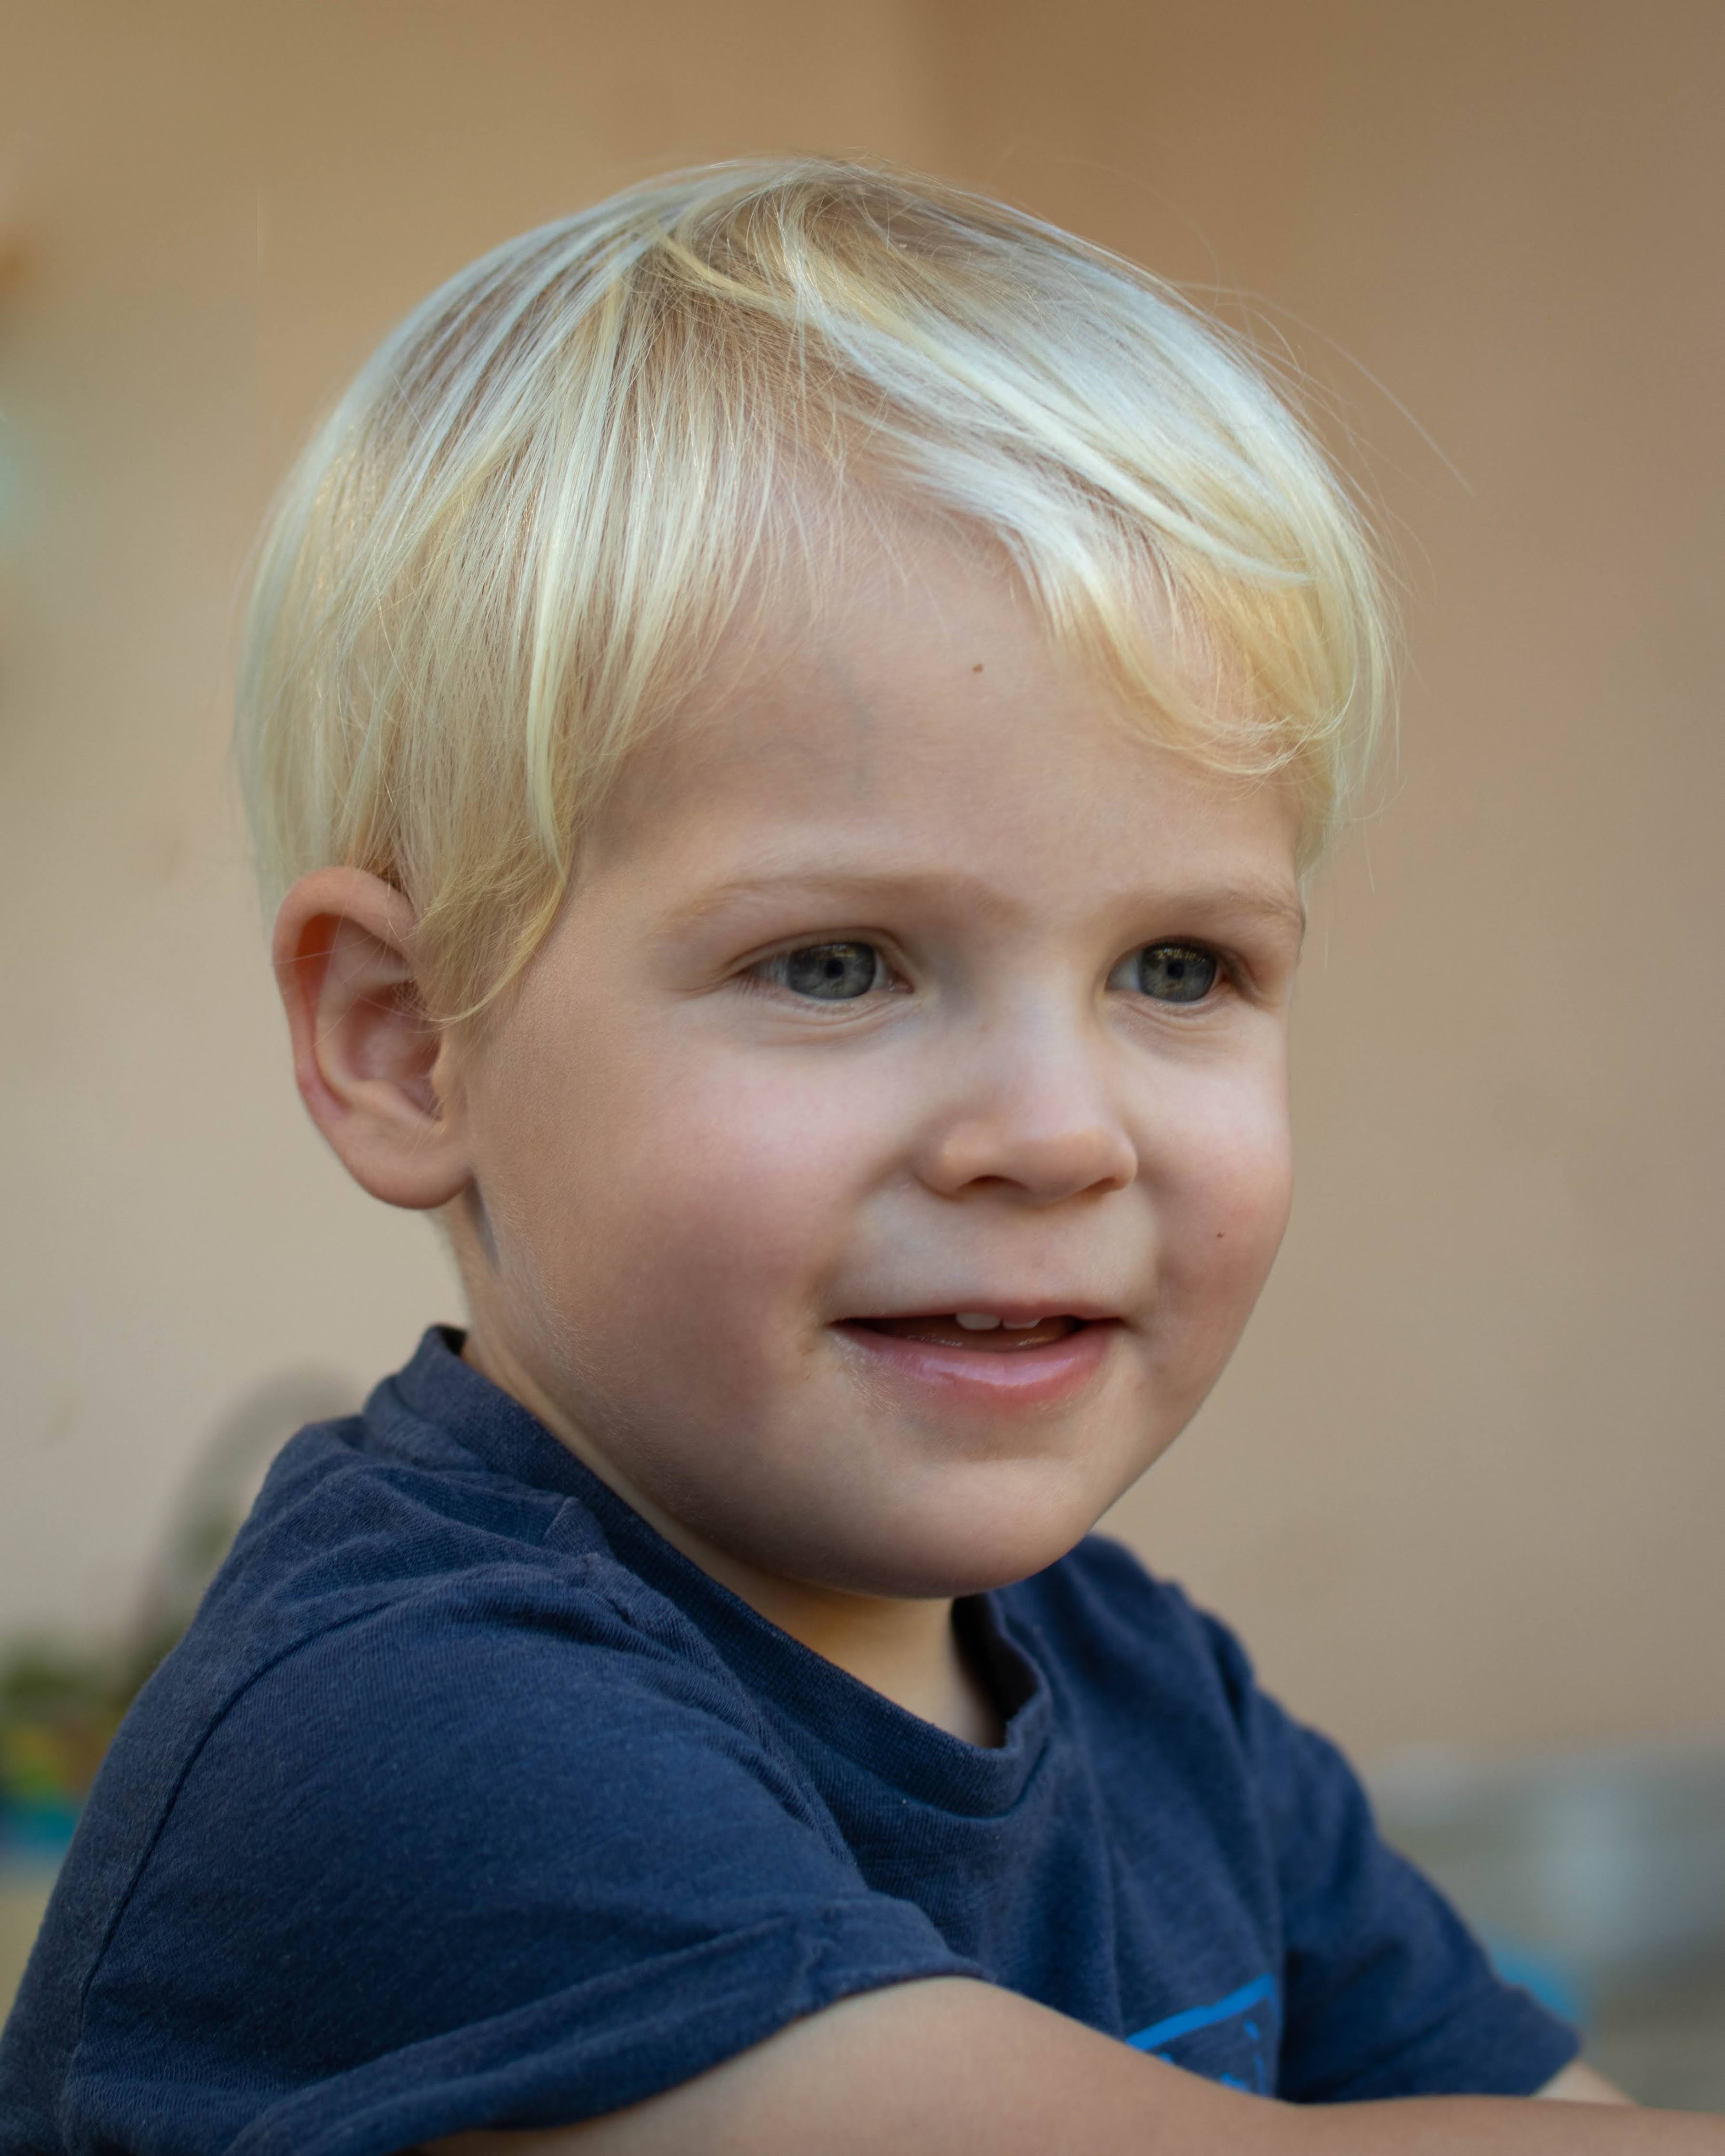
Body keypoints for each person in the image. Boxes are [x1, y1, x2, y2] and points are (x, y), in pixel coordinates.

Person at [0, 158, 1715, 2156]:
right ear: (407, 1041)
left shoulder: (1150, 1689)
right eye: (836, 964)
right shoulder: (398, 1728)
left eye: (1178, 966)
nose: (1056, 1133)